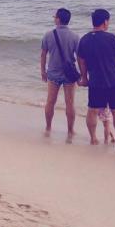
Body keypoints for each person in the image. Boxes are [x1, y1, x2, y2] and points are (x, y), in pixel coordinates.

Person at [77, 9, 115, 153]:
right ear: (105, 22)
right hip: (113, 81)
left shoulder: (85, 39)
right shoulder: (111, 38)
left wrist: (84, 77)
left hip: (95, 81)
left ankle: (93, 138)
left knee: (92, 110)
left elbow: (81, 60)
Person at [40, 8, 80, 137]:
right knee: (70, 104)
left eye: (55, 17)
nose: (54, 19)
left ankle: (48, 128)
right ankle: (70, 131)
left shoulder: (48, 35)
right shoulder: (75, 37)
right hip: (69, 74)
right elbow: (80, 58)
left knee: (50, 102)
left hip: (53, 73)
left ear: (58, 19)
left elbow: (43, 54)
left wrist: (43, 71)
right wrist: (82, 75)